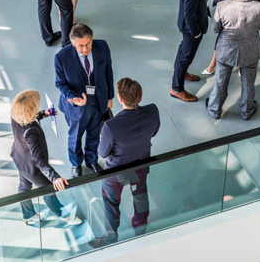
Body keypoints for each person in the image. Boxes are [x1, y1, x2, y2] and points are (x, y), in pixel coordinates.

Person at [93, 78, 160, 246]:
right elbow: (154, 131)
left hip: (116, 173)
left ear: (120, 99)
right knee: (141, 196)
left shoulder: (111, 126)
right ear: (139, 96)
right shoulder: (153, 111)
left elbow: (102, 153)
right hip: (140, 166)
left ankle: (110, 238)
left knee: (110, 204)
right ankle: (140, 229)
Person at [206, 0, 260, 120]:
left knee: (220, 81)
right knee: (248, 83)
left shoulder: (222, 6)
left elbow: (215, 29)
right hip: (251, 52)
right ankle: (247, 111)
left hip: (226, 51)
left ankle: (215, 108)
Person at [10, 90, 82, 226]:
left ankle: (28, 215)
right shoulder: (30, 133)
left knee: (24, 187)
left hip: (19, 158)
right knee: (48, 189)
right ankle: (64, 216)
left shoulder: (15, 114)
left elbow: (29, 116)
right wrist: (55, 178)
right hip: (31, 167)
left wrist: (43, 113)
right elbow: (39, 160)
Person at [55, 24, 114, 178]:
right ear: (73, 43)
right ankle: (76, 164)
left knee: (95, 133)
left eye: (88, 44)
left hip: (98, 100)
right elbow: (60, 83)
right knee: (75, 137)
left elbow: (108, 72)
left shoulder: (102, 47)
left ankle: (91, 160)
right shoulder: (61, 57)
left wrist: (109, 97)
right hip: (77, 106)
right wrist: (72, 98)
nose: (85, 49)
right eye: (80, 46)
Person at [170, 0, 214, 102]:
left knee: (183, 51)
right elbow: (189, 14)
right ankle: (176, 88)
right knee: (186, 55)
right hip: (191, 28)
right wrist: (196, 32)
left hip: (188, 25)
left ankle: (179, 72)